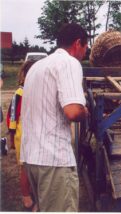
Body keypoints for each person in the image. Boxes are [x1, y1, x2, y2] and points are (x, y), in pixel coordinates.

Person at [20, 23, 89, 212]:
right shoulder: (68, 63)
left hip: (32, 158)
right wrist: (85, 111)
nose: (85, 53)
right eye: (85, 47)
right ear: (77, 43)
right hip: (54, 161)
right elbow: (73, 111)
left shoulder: (36, 67)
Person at [6, 60, 37, 211]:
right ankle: (26, 196)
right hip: (23, 136)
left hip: (36, 136)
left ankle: (32, 192)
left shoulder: (37, 92)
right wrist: (12, 138)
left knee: (33, 166)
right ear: (24, 75)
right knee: (25, 167)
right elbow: (12, 117)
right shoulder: (19, 93)